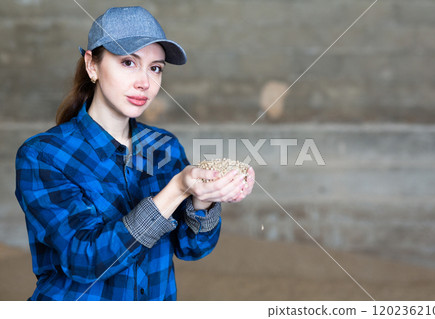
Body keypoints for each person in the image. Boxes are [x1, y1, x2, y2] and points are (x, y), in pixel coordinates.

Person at [15, 6, 255, 301]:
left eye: (155, 68)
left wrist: (202, 198)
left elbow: (192, 249)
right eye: (129, 63)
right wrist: (178, 188)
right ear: (92, 65)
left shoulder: (164, 147)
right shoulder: (43, 155)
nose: (145, 82)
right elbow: (86, 260)